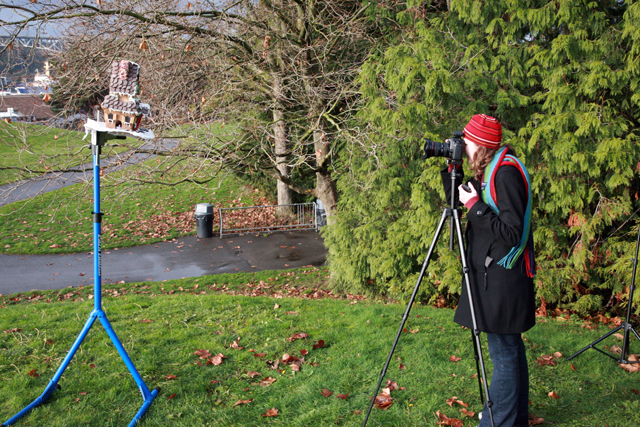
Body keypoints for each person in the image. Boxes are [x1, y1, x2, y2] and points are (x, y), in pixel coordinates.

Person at [441, 114, 536, 427]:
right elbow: (455, 200)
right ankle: (515, 417)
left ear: (480, 144)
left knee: (504, 352)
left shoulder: (505, 174)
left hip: (503, 280)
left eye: (466, 142)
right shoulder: (491, 170)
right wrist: (453, 173)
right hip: (494, 276)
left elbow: (511, 231)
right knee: (509, 347)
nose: (463, 146)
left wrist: (474, 206)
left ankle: (499, 422)